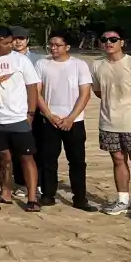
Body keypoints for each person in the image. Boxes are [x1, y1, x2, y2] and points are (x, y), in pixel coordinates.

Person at [0, 26, 42, 212]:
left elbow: (32, 87)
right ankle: (5, 192)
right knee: (3, 157)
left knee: (26, 156)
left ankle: (31, 197)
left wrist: (30, 113)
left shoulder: (21, 61)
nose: (10, 46)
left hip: (19, 117)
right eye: (5, 43)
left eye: (11, 42)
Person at [91, 28, 131, 219]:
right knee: (118, 160)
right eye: (104, 39)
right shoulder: (96, 65)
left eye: (113, 39)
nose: (108, 43)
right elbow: (98, 91)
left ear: (122, 42)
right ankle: (123, 200)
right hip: (108, 122)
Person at [35, 30, 94, 211]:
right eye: (51, 44)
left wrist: (71, 118)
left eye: (57, 45)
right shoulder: (41, 64)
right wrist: (49, 115)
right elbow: (36, 93)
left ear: (67, 47)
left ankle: (80, 198)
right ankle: (48, 194)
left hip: (74, 121)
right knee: (48, 159)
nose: (53, 48)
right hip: (50, 120)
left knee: (77, 161)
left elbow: (85, 94)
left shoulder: (79, 65)